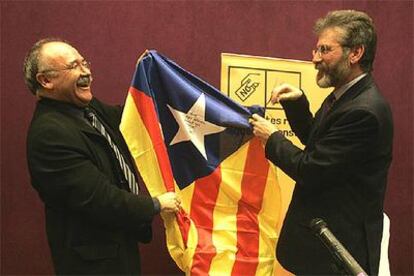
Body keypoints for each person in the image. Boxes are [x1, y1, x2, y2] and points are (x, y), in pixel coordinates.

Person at [250, 10, 393, 275]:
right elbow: (320, 143)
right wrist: (296, 104)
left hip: (337, 253)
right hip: (320, 246)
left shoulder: (365, 111)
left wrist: (273, 139)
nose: (314, 58)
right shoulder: (345, 96)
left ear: (355, 53)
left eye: (324, 50)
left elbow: (311, 170)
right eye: (316, 49)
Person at [24, 38, 181, 275]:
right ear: (46, 81)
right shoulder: (49, 134)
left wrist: (146, 78)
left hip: (118, 248)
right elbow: (100, 199)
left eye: (84, 63)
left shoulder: (84, 108)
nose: (86, 71)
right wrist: (157, 204)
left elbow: (126, 120)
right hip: (92, 264)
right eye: (73, 66)